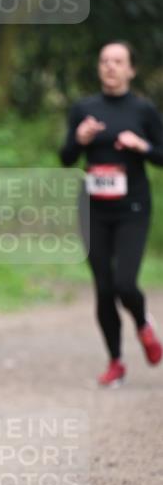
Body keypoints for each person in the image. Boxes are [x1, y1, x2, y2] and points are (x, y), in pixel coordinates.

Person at [60, 40, 163, 387]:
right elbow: (66, 158)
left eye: (118, 61)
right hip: (93, 210)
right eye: (105, 61)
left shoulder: (143, 111)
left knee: (125, 283)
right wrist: (79, 137)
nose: (110, 67)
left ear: (131, 69)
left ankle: (143, 324)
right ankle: (116, 362)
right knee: (104, 289)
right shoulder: (85, 109)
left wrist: (143, 146)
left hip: (132, 207)